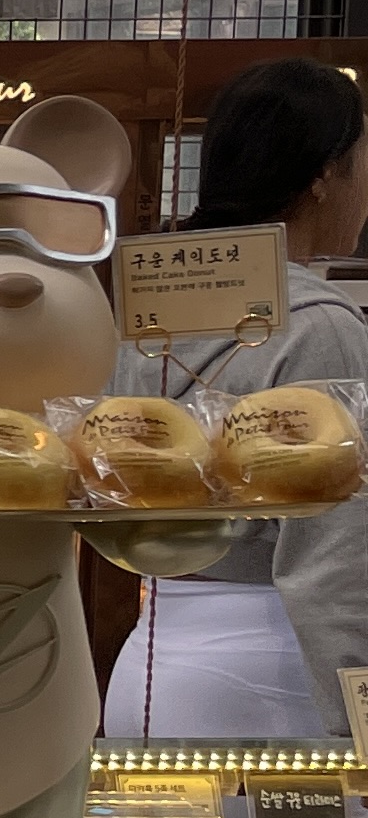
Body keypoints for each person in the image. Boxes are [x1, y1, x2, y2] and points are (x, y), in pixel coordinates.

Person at [105, 56, 368, 737]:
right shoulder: (322, 327)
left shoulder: (149, 310)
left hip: (150, 657)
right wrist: (356, 719)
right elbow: (334, 560)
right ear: (324, 175)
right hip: (276, 669)